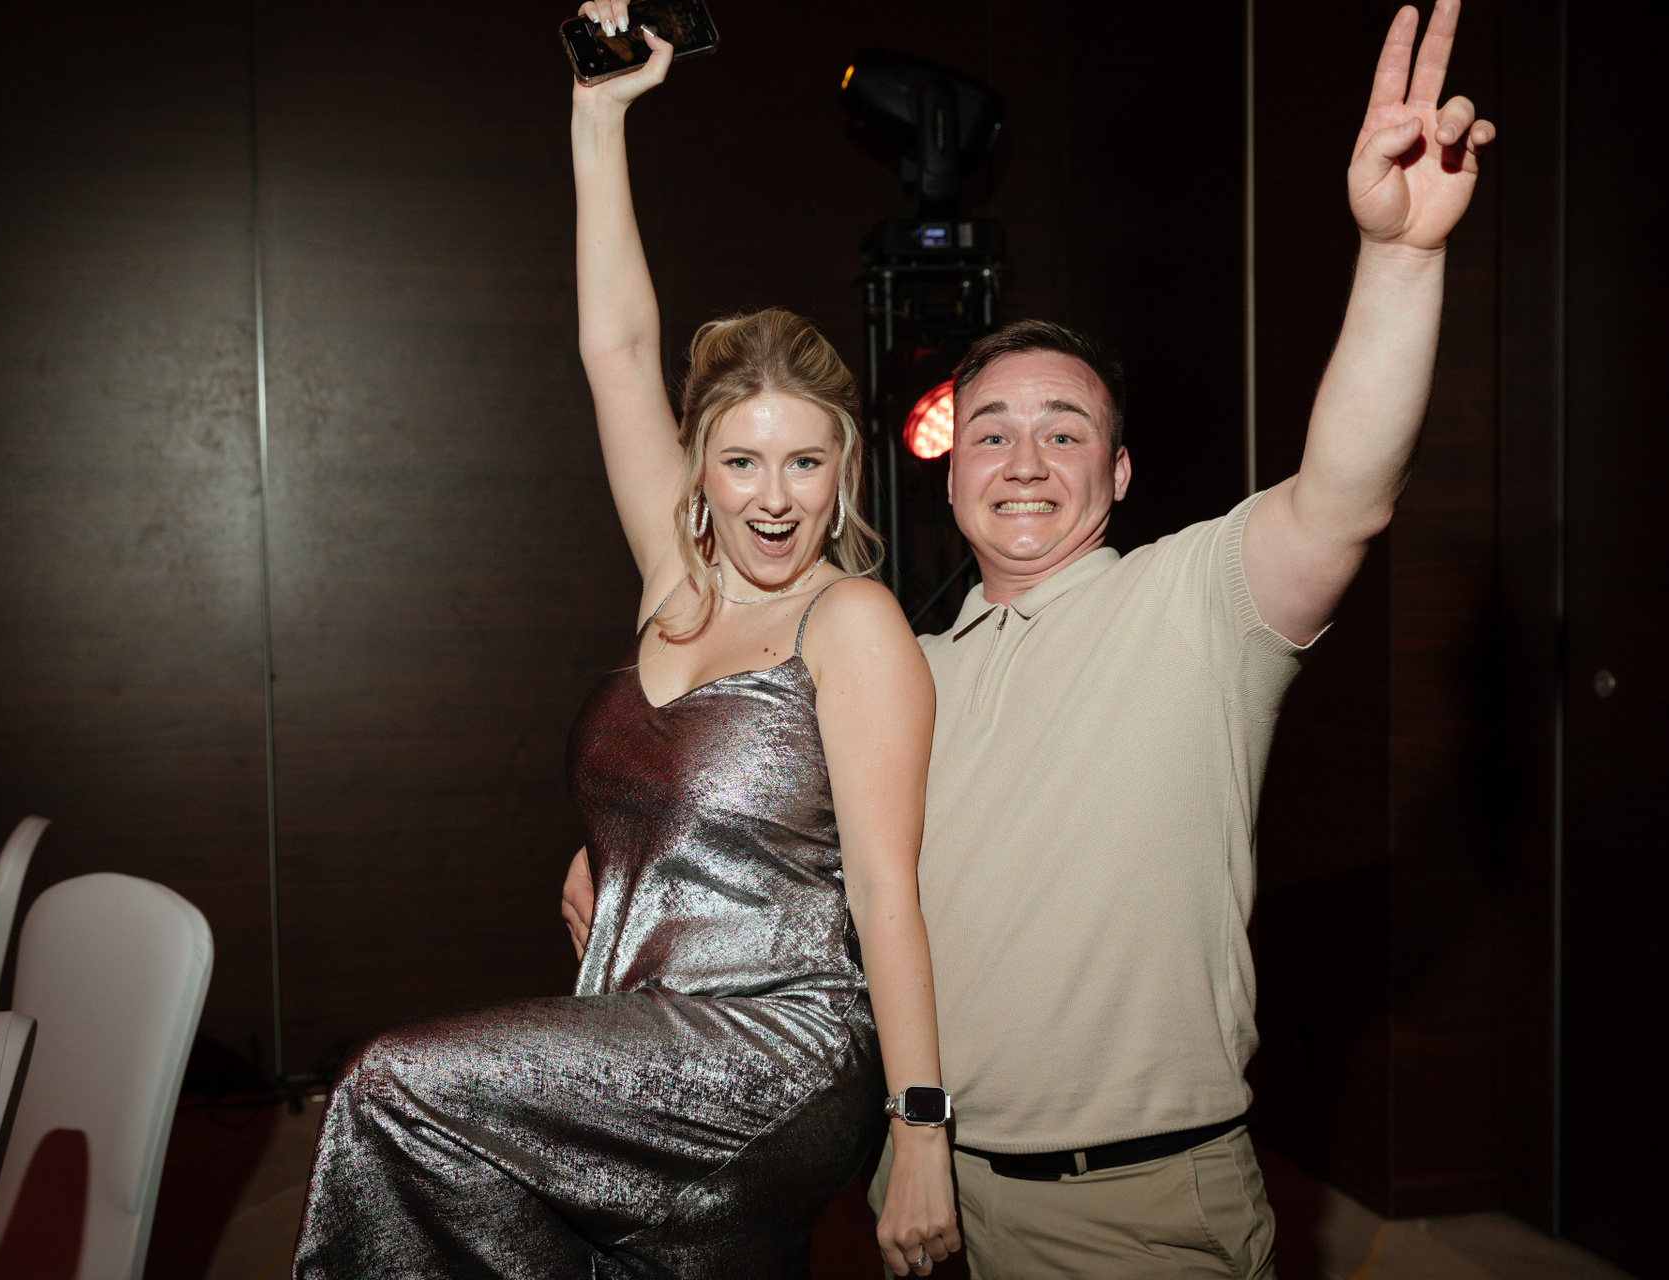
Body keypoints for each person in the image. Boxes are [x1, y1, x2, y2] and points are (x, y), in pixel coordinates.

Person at [561, 2, 1494, 1275]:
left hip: (1131, 1207)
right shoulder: (896, 660)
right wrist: (634, 845)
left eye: (1066, 431)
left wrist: (1399, 257)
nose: (1025, 458)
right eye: (991, 430)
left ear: (1119, 474)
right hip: (914, 1185)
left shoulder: (1197, 603)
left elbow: (1347, 492)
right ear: (949, 477)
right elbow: (773, 831)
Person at [292, 13, 961, 1279]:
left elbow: (885, 889)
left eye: (806, 462)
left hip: (777, 1044)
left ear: (845, 472)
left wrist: (920, 1126)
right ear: (698, 470)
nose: (775, 496)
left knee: (390, 1085)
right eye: (743, 460)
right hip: (637, 1018)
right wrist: (598, 115)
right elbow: (615, 350)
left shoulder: (852, 620)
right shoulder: (674, 579)